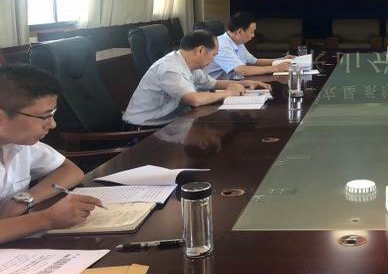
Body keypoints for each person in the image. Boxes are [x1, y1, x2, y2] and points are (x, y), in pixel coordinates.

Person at [0, 65, 103, 244]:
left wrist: (23, 200)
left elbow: (70, 170)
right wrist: (48, 219)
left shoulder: (19, 143)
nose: (52, 124)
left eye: (53, 114)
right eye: (44, 116)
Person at [123, 30, 269, 127]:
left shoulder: (189, 64)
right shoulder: (170, 68)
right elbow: (194, 99)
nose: (213, 60)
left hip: (170, 123)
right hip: (145, 129)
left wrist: (245, 83)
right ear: (200, 50)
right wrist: (229, 92)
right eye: (213, 55)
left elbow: (214, 83)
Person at [207, 12, 293, 79]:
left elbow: (255, 61)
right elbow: (241, 70)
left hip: (234, 82)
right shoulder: (221, 45)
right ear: (239, 32)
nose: (253, 35)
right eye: (251, 32)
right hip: (216, 89)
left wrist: (281, 60)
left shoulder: (238, 42)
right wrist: (276, 68)